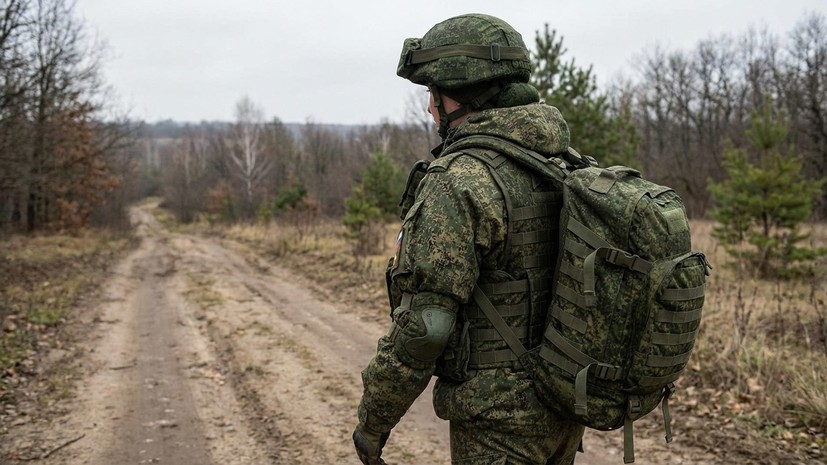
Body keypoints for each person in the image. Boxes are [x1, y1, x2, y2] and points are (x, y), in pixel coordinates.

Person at [353, 13, 585, 465]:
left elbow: (426, 329)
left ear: (457, 91)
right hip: (562, 406)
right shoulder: (562, 164)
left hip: (497, 423)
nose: (428, 108)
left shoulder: (461, 181)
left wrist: (374, 419)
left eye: (430, 94)